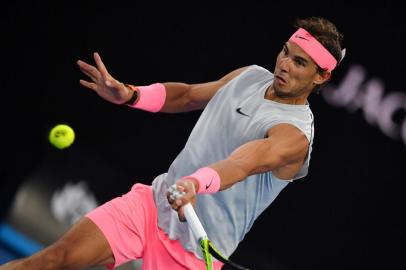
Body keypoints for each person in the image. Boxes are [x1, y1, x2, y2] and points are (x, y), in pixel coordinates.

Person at [0, 16, 344, 270]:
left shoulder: (295, 136)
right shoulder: (251, 76)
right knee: (53, 260)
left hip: (192, 253)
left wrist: (196, 182)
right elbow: (188, 96)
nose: (283, 65)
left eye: (299, 63)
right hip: (153, 206)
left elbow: (243, 163)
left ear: (321, 76)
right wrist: (131, 95)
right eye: (285, 52)